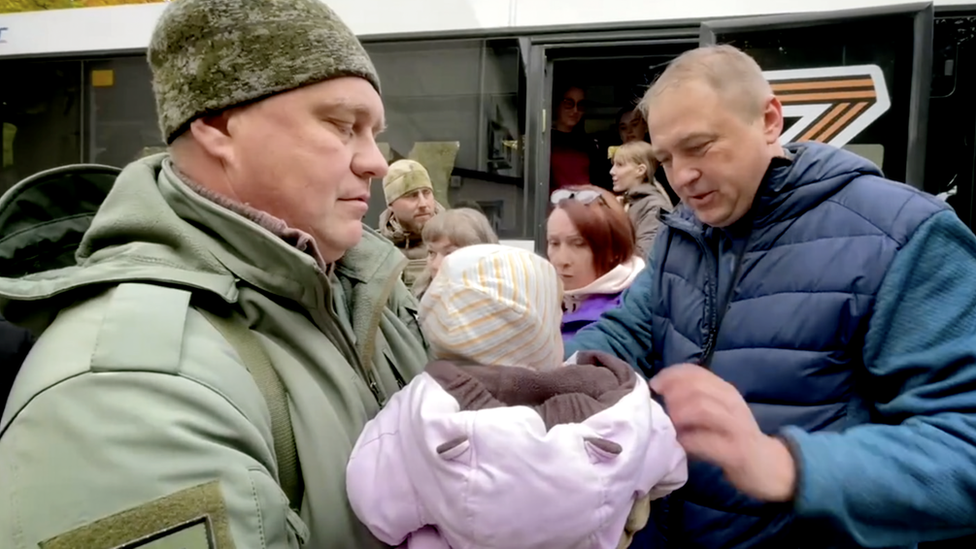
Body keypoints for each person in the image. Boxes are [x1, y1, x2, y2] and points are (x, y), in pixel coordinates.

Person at [0, 1, 429, 549]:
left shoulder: (365, 285)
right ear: (219, 127)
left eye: (372, 132)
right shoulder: (126, 389)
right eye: (344, 126)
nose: (375, 163)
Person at [565, 44, 976, 549]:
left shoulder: (903, 236)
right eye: (666, 158)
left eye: (699, 147)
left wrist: (785, 465)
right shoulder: (683, 232)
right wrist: (539, 385)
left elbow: (963, 446)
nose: (681, 177)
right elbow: (626, 334)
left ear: (769, 120)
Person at [346, 244, 688, 549]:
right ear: (539, 336)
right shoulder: (618, 401)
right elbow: (672, 468)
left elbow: (377, 508)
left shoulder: (414, 412)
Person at [547, 186, 645, 341]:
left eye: (578, 244)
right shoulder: (538, 303)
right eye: (554, 243)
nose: (561, 260)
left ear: (614, 250)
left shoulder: (630, 316)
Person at [379, 159, 446, 289]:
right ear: (391, 204)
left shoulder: (455, 243)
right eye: (412, 196)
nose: (423, 204)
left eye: (426, 193)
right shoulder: (377, 250)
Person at [411, 207, 499, 299]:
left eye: (450, 254)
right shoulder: (418, 298)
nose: (435, 265)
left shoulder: (505, 303)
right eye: (431, 253)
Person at [610, 140, 674, 257]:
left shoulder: (654, 207)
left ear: (640, 170)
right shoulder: (630, 202)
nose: (612, 171)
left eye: (620, 165)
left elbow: (645, 258)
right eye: (613, 165)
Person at [550, 84, 609, 192]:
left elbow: (600, 181)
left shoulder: (590, 144)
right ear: (557, 105)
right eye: (569, 103)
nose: (575, 110)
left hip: (588, 203)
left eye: (580, 105)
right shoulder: (544, 141)